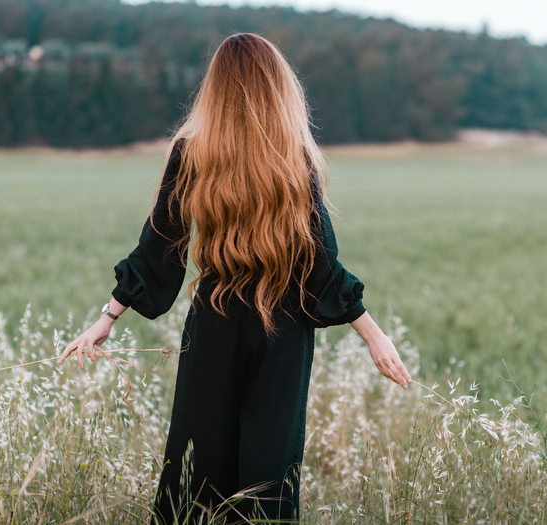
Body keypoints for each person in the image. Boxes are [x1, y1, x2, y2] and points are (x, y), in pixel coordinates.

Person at [57, 33, 412, 524]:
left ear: (216, 88)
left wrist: (107, 317)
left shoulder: (192, 151)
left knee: (196, 475)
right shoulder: (294, 157)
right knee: (268, 479)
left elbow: (159, 247)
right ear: (277, 87)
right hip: (284, 329)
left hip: (215, 320)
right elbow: (320, 263)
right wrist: (374, 335)